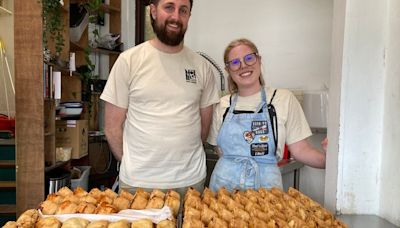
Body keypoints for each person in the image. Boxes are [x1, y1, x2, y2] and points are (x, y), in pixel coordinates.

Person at [100, 0, 219, 196]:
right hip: (138, 184)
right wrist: (132, 163)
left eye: (183, 10)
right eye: (169, 7)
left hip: (189, 182)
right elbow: (112, 126)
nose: (176, 17)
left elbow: (203, 128)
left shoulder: (202, 67)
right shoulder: (129, 61)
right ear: (154, 11)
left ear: (189, 16)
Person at [207, 38, 326, 192]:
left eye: (249, 58)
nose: (243, 66)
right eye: (235, 62)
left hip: (267, 191)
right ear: (228, 69)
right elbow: (220, 151)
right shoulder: (222, 105)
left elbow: (301, 150)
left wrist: (331, 161)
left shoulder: (283, 99)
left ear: (259, 59)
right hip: (223, 188)